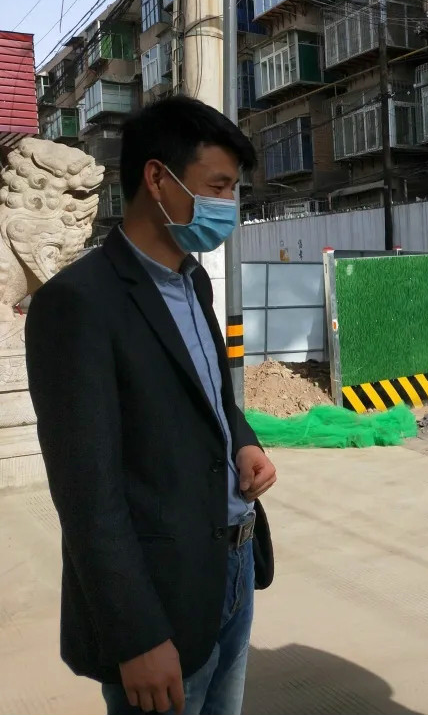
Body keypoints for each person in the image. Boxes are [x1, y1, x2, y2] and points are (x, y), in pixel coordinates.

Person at [26, 95, 277, 715]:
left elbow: (210, 395)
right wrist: (135, 634)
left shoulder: (194, 280)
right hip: (160, 595)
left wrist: (243, 441)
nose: (229, 205)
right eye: (217, 187)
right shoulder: (79, 303)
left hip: (233, 566)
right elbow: (86, 494)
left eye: (234, 189)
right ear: (158, 178)